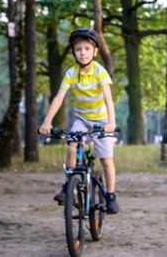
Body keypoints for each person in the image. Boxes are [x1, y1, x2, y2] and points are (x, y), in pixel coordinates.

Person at [39, 27, 119, 214]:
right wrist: (47, 122)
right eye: (78, 49)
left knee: (106, 159)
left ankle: (111, 195)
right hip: (81, 119)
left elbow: (108, 98)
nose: (82, 53)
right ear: (74, 52)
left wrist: (111, 123)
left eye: (86, 49)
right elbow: (59, 98)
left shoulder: (100, 72)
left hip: (101, 120)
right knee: (72, 145)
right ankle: (69, 185)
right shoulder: (71, 73)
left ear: (95, 51)